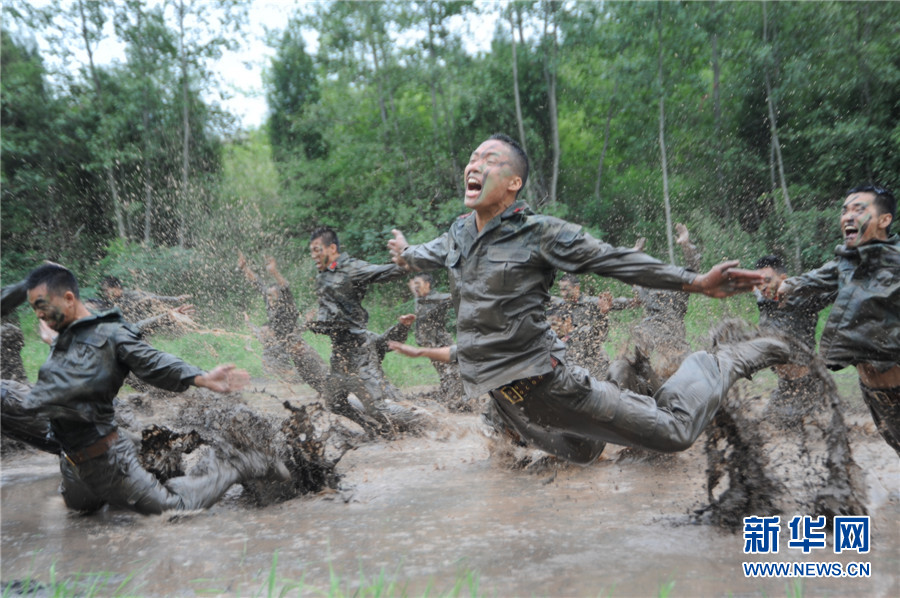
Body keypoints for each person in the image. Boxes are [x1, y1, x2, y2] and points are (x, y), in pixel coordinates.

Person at [387, 133, 789, 464]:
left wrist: (695, 281)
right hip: (510, 398)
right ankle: (618, 385)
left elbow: (611, 259)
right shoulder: (458, 234)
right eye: (472, 158)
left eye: (489, 160)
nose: (473, 165)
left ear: (514, 183)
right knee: (582, 453)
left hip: (551, 384)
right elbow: (422, 254)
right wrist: (404, 252)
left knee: (675, 432)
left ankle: (717, 361)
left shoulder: (539, 232)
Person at [0, 263, 287, 514]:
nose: (39, 316)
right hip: (72, 464)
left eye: (42, 307)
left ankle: (236, 463)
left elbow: (152, 360)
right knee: (80, 509)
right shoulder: (60, 334)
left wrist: (201, 377)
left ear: (69, 298)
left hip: (108, 459)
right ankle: (148, 468)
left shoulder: (111, 333)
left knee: (176, 509)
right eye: (35, 309)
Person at [775, 184, 899, 455]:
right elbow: (807, 281)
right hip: (874, 392)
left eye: (859, 209)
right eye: (845, 211)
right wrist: (779, 285)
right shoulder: (846, 263)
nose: (848, 216)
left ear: (884, 219)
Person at [308, 226, 418, 432]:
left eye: (317, 250)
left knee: (377, 407)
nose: (313, 255)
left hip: (360, 352)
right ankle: (372, 428)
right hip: (339, 353)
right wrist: (314, 324)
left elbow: (383, 272)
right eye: (311, 251)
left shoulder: (352, 269)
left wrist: (407, 261)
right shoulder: (322, 276)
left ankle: (421, 425)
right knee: (333, 402)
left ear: (332, 248)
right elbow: (328, 314)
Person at [238, 252, 329, 392]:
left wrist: (274, 272)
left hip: (298, 348)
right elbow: (258, 283)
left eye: (273, 296)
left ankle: (338, 388)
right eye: (268, 296)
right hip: (282, 350)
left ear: (280, 298)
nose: (269, 299)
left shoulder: (287, 307)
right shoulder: (269, 302)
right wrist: (245, 268)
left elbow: (285, 287)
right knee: (304, 380)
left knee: (323, 373)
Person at [753, 254, 824, 425]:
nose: (763, 286)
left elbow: (834, 288)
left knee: (788, 426)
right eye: (758, 281)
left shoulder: (803, 295)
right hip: (784, 386)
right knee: (766, 423)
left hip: (805, 386)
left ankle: (817, 406)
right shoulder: (764, 298)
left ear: (784, 279)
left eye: (767, 280)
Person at [630, 223, 703, 380]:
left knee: (693, 376)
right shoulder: (645, 290)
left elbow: (694, 268)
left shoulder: (677, 289)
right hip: (656, 346)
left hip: (677, 347)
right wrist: (634, 256)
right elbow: (631, 277)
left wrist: (686, 244)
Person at [547, 273, 634, 380]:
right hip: (570, 355)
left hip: (592, 354)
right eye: (561, 290)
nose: (563, 293)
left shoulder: (590, 303)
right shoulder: (561, 304)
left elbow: (613, 303)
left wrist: (633, 302)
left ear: (576, 288)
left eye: (566, 289)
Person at [406, 273, 466, 408]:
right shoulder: (420, 297)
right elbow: (417, 294)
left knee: (454, 370)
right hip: (429, 344)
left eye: (418, 284)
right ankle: (451, 396)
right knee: (444, 372)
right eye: (414, 284)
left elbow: (454, 298)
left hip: (441, 343)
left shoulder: (436, 298)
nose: (415, 287)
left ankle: (457, 401)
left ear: (427, 284)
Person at [95, 276, 195, 335]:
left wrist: (175, 299)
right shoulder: (110, 303)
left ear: (116, 287)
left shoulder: (131, 296)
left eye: (107, 290)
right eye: (104, 291)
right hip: (123, 334)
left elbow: (154, 298)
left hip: (139, 333)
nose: (105, 293)